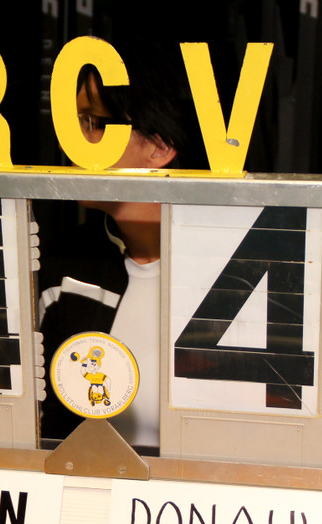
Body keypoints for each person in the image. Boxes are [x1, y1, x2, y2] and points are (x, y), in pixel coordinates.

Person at [39, 39, 203, 447]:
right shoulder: (59, 271)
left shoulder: (241, 275)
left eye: (93, 122)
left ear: (159, 147)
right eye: (76, 121)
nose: (72, 142)